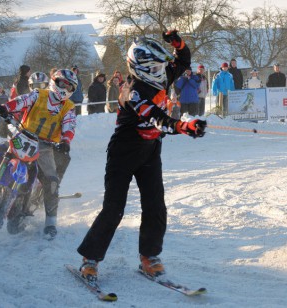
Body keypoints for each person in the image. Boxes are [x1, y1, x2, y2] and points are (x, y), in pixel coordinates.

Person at [76, 31, 207, 282]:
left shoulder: (161, 76)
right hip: (124, 152)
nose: (162, 69)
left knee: (155, 205)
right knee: (114, 209)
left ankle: (150, 257)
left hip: (149, 150)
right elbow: (156, 119)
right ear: (142, 67)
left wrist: (176, 42)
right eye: (156, 66)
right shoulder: (132, 91)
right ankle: (90, 259)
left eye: (161, 65)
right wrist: (184, 127)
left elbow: (184, 61)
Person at [0, 69, 78, 239]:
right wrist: (5, 107)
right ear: (55, 81)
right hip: (23, 135)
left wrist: (65, 141)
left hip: (45, 146)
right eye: (64, 84)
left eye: (70, 87)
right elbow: (20, 101)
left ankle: (51, 222)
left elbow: (70, 125)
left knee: (52, 181)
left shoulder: (69, 107)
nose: (66, 88)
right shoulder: (38, 94)